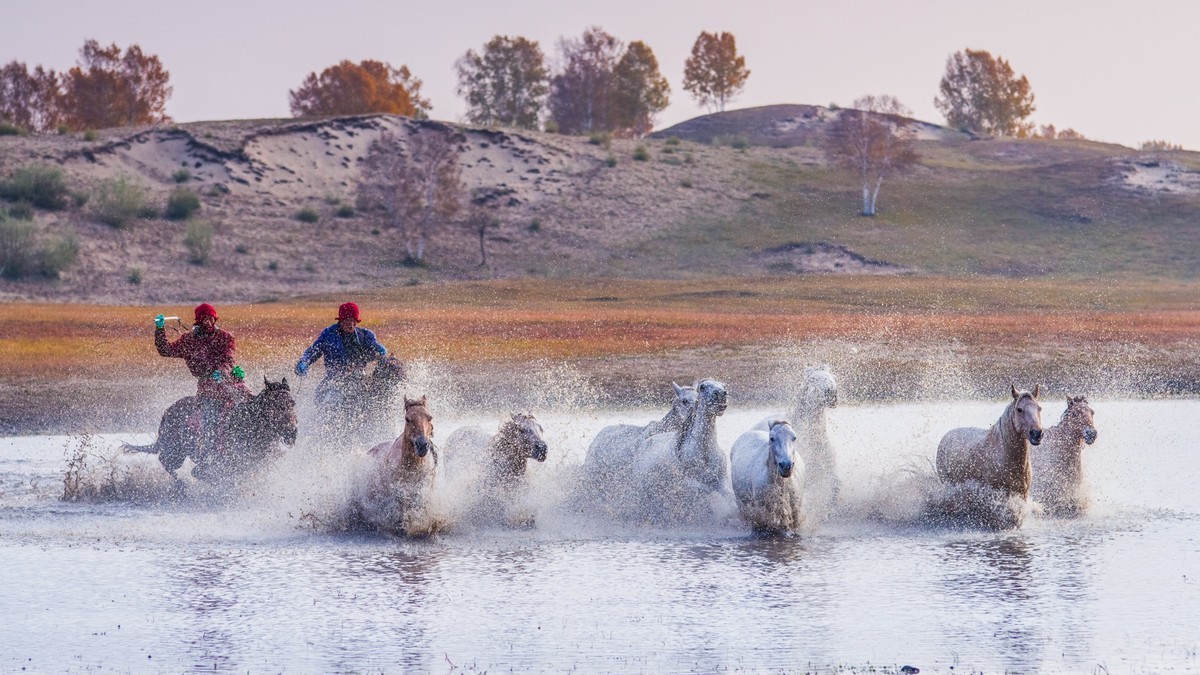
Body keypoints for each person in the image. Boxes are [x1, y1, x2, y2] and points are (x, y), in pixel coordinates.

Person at [155, 303, 251, 458]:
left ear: (215, 319)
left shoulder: (226, 337)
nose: (207, 322)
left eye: (210, 318)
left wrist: (222, 372)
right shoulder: (188, 340)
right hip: (207, 388)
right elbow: (165, 350)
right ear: (198, 320)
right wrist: (159, 329)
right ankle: (207, 457)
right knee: (209, 421)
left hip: (229, 381)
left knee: (251, 405)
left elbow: (229, 359)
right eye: (204, 318)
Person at [294, 302, 389, 418]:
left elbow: (373, 348)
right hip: (334, 380)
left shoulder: (365, 335)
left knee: (375, 402)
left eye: (353, 320)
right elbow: (314, 350)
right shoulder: (328, 334)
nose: (351, 324)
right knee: (331, 402)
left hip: (360, 377)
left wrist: (380, 351)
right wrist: (304, 362)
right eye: (347, 320)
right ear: (341, 320)